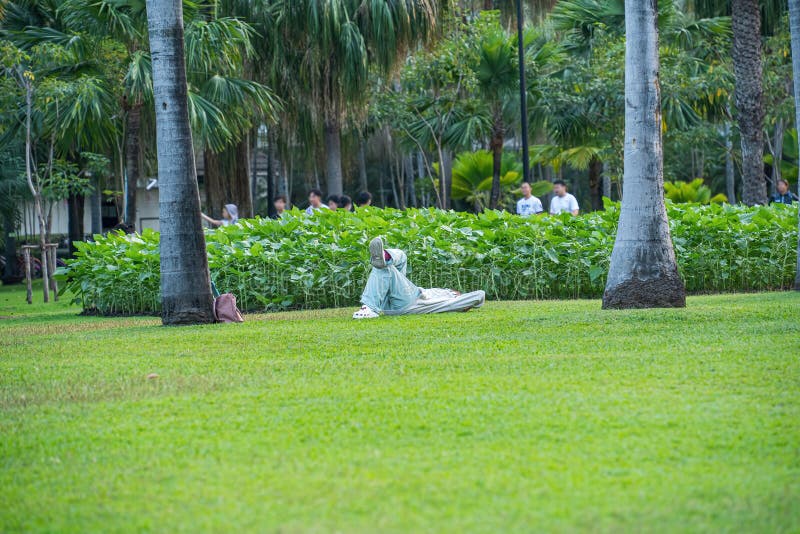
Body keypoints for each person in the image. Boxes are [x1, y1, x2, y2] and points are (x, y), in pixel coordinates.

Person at [353, 237, 485, 319]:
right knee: (401, 258)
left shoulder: (451, 302)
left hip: (408, 303)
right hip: (397, 300)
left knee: (386, 269)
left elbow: (480, 295)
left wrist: (462, 300)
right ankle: (385, 257)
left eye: (456, 292)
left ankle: (369, 308)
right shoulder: (442, 292)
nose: (453, 291)